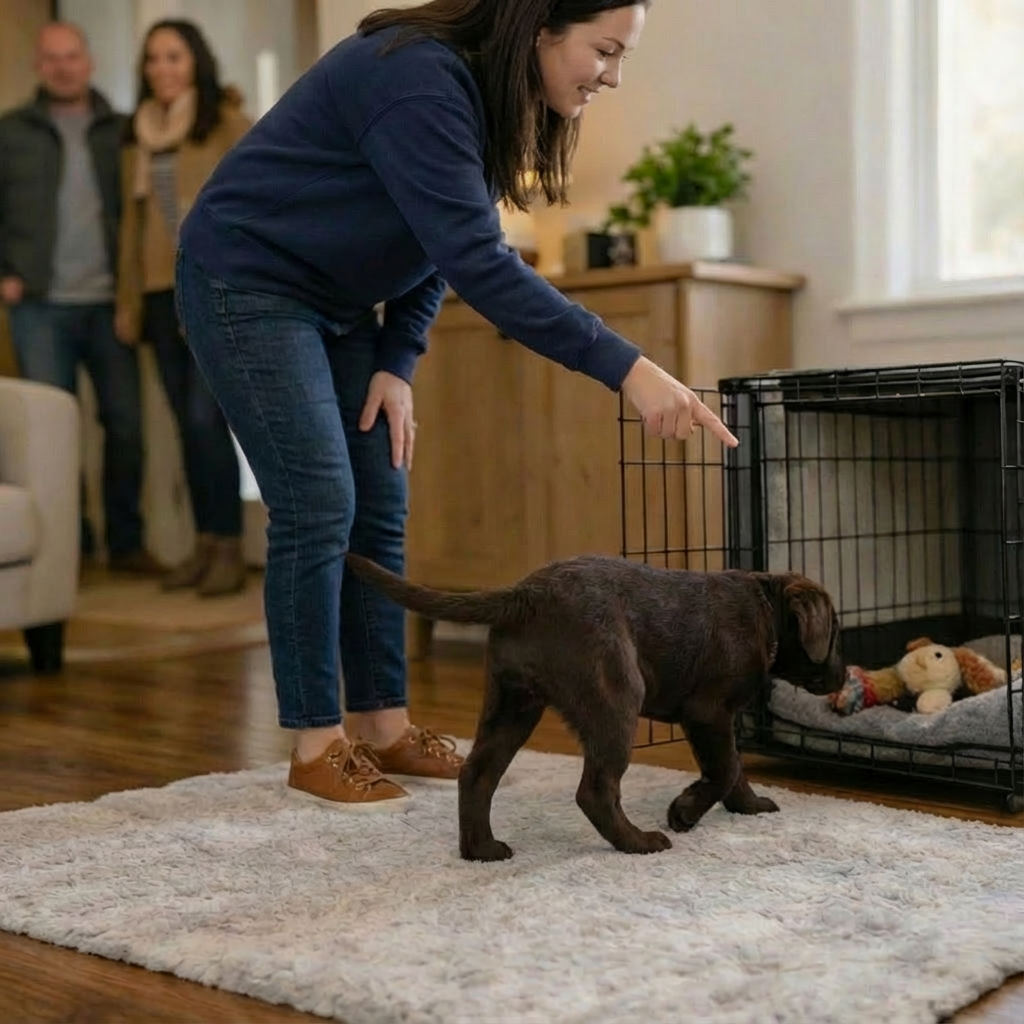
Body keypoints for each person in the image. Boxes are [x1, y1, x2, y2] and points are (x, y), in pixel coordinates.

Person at [174, 0, 739, 811]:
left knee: (380, 500)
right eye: (605, 50)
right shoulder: (415, 78)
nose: (612, 76)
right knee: (317, 500)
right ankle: (313, 741)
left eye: (624, 58)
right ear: (542, 27)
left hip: (337, 306)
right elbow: (479, 263)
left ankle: (382, 725)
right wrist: (630, 367)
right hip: (246, 280)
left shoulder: (488, 98)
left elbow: (441, 242)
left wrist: (397, 362)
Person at [0, 21, 159, 574]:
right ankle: (69, 546)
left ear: (88, 62)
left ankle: (126, 543)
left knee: (125, 425)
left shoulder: (122, 130)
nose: (62, 66)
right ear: (39, 67)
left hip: (111, 303)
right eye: (51, 58)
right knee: (51, 436)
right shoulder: (11, 131)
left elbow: (143, 216)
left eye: (72, 56)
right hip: (39, 306)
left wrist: (133, 292)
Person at [115, 20, 251, 597]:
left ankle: (229, 546)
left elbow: (250, 206)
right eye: (152, 60)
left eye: (173, 57)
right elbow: (132, 225)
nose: (162, 69)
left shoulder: (226, 124)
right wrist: (126, 302)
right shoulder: (137, 136)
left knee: (206, 420)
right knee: (183, 428)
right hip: (153, 294)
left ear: (195, 60)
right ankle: (204, 544)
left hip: (211, 289)